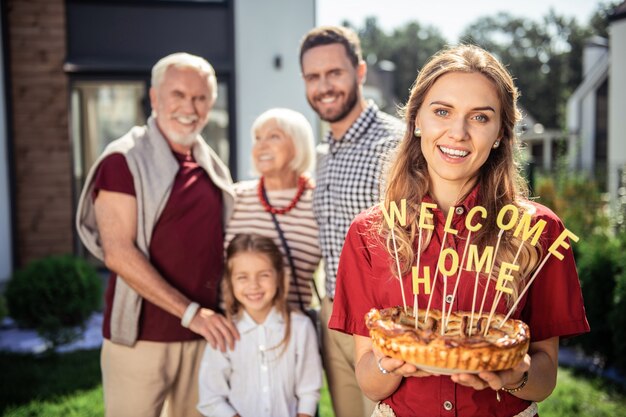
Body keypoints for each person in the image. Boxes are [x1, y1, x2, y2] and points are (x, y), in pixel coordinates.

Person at [329, 44, 590, 416]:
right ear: (417, 120)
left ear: (501, 132)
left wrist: (515, 374)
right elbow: (369, 381)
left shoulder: (537, 232)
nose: (458, 132)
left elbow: (545, 380)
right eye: (442, 111)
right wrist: (392, 362)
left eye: (480, 118)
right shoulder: (370, 233)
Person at [76, 52, 240, 417]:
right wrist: (192, 313)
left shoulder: (210, 164)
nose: (189, 107)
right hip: (141, 339)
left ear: (211, 102)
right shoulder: (122, 160)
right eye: (178, 95)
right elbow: (118, 253)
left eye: (200, 98)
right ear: (154, 98)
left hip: (204, 341)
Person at [299, 25, 404, 417]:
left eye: (335, 73)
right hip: (332, 315)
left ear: (359, 72)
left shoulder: (398, 146)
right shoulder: (323, 153)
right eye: (313, 76)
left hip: (382, 322)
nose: (324, 86)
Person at [198, 233, 322, 417]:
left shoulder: (300, 327)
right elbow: (211, 398)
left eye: (263, 275)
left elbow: (309, 391)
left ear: (278, 277)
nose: (253, 285)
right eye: (242, 277)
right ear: (230, 281)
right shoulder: (223, 333)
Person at [224, 108, 321, 313]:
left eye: (273, 137)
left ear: (298, 145)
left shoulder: (318, 203)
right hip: (232, 330)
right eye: (257, 138)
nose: (261, 146)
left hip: (292, 332)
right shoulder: (235, 197)